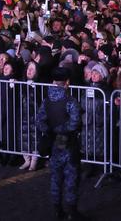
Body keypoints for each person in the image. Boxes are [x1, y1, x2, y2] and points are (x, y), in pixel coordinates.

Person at [36, 66, 85, 220]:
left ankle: (58, 210)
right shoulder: (70, 101)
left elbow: (39, 121)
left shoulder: (46, 101)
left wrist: (50, 131)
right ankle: (72, 211)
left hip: (53, 143)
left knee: (55, 178)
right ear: (67, 82)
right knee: (71, 178)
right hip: (68, 143)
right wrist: (61, 130)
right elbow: (75, 122)